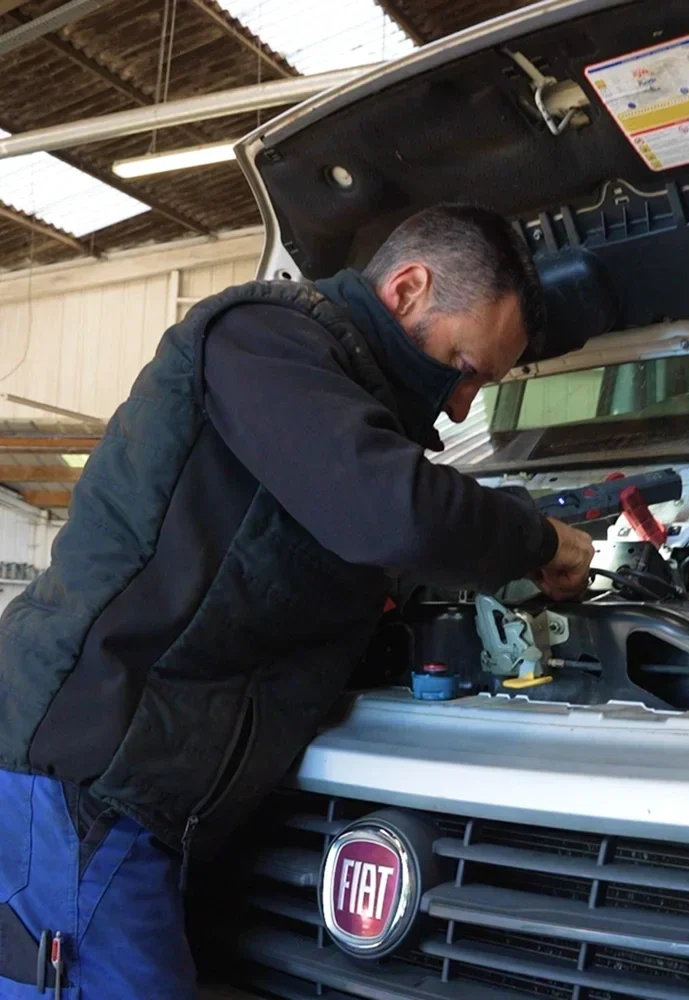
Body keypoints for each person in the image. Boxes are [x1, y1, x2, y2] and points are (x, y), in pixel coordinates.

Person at [0, 204, 593, 998]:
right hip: (86, 778)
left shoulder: (337, 410)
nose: (459, 406)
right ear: (408, 289)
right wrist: (537, 540)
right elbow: (391, 510)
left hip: (160, 792)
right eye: (465, 367)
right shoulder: (260, 337)